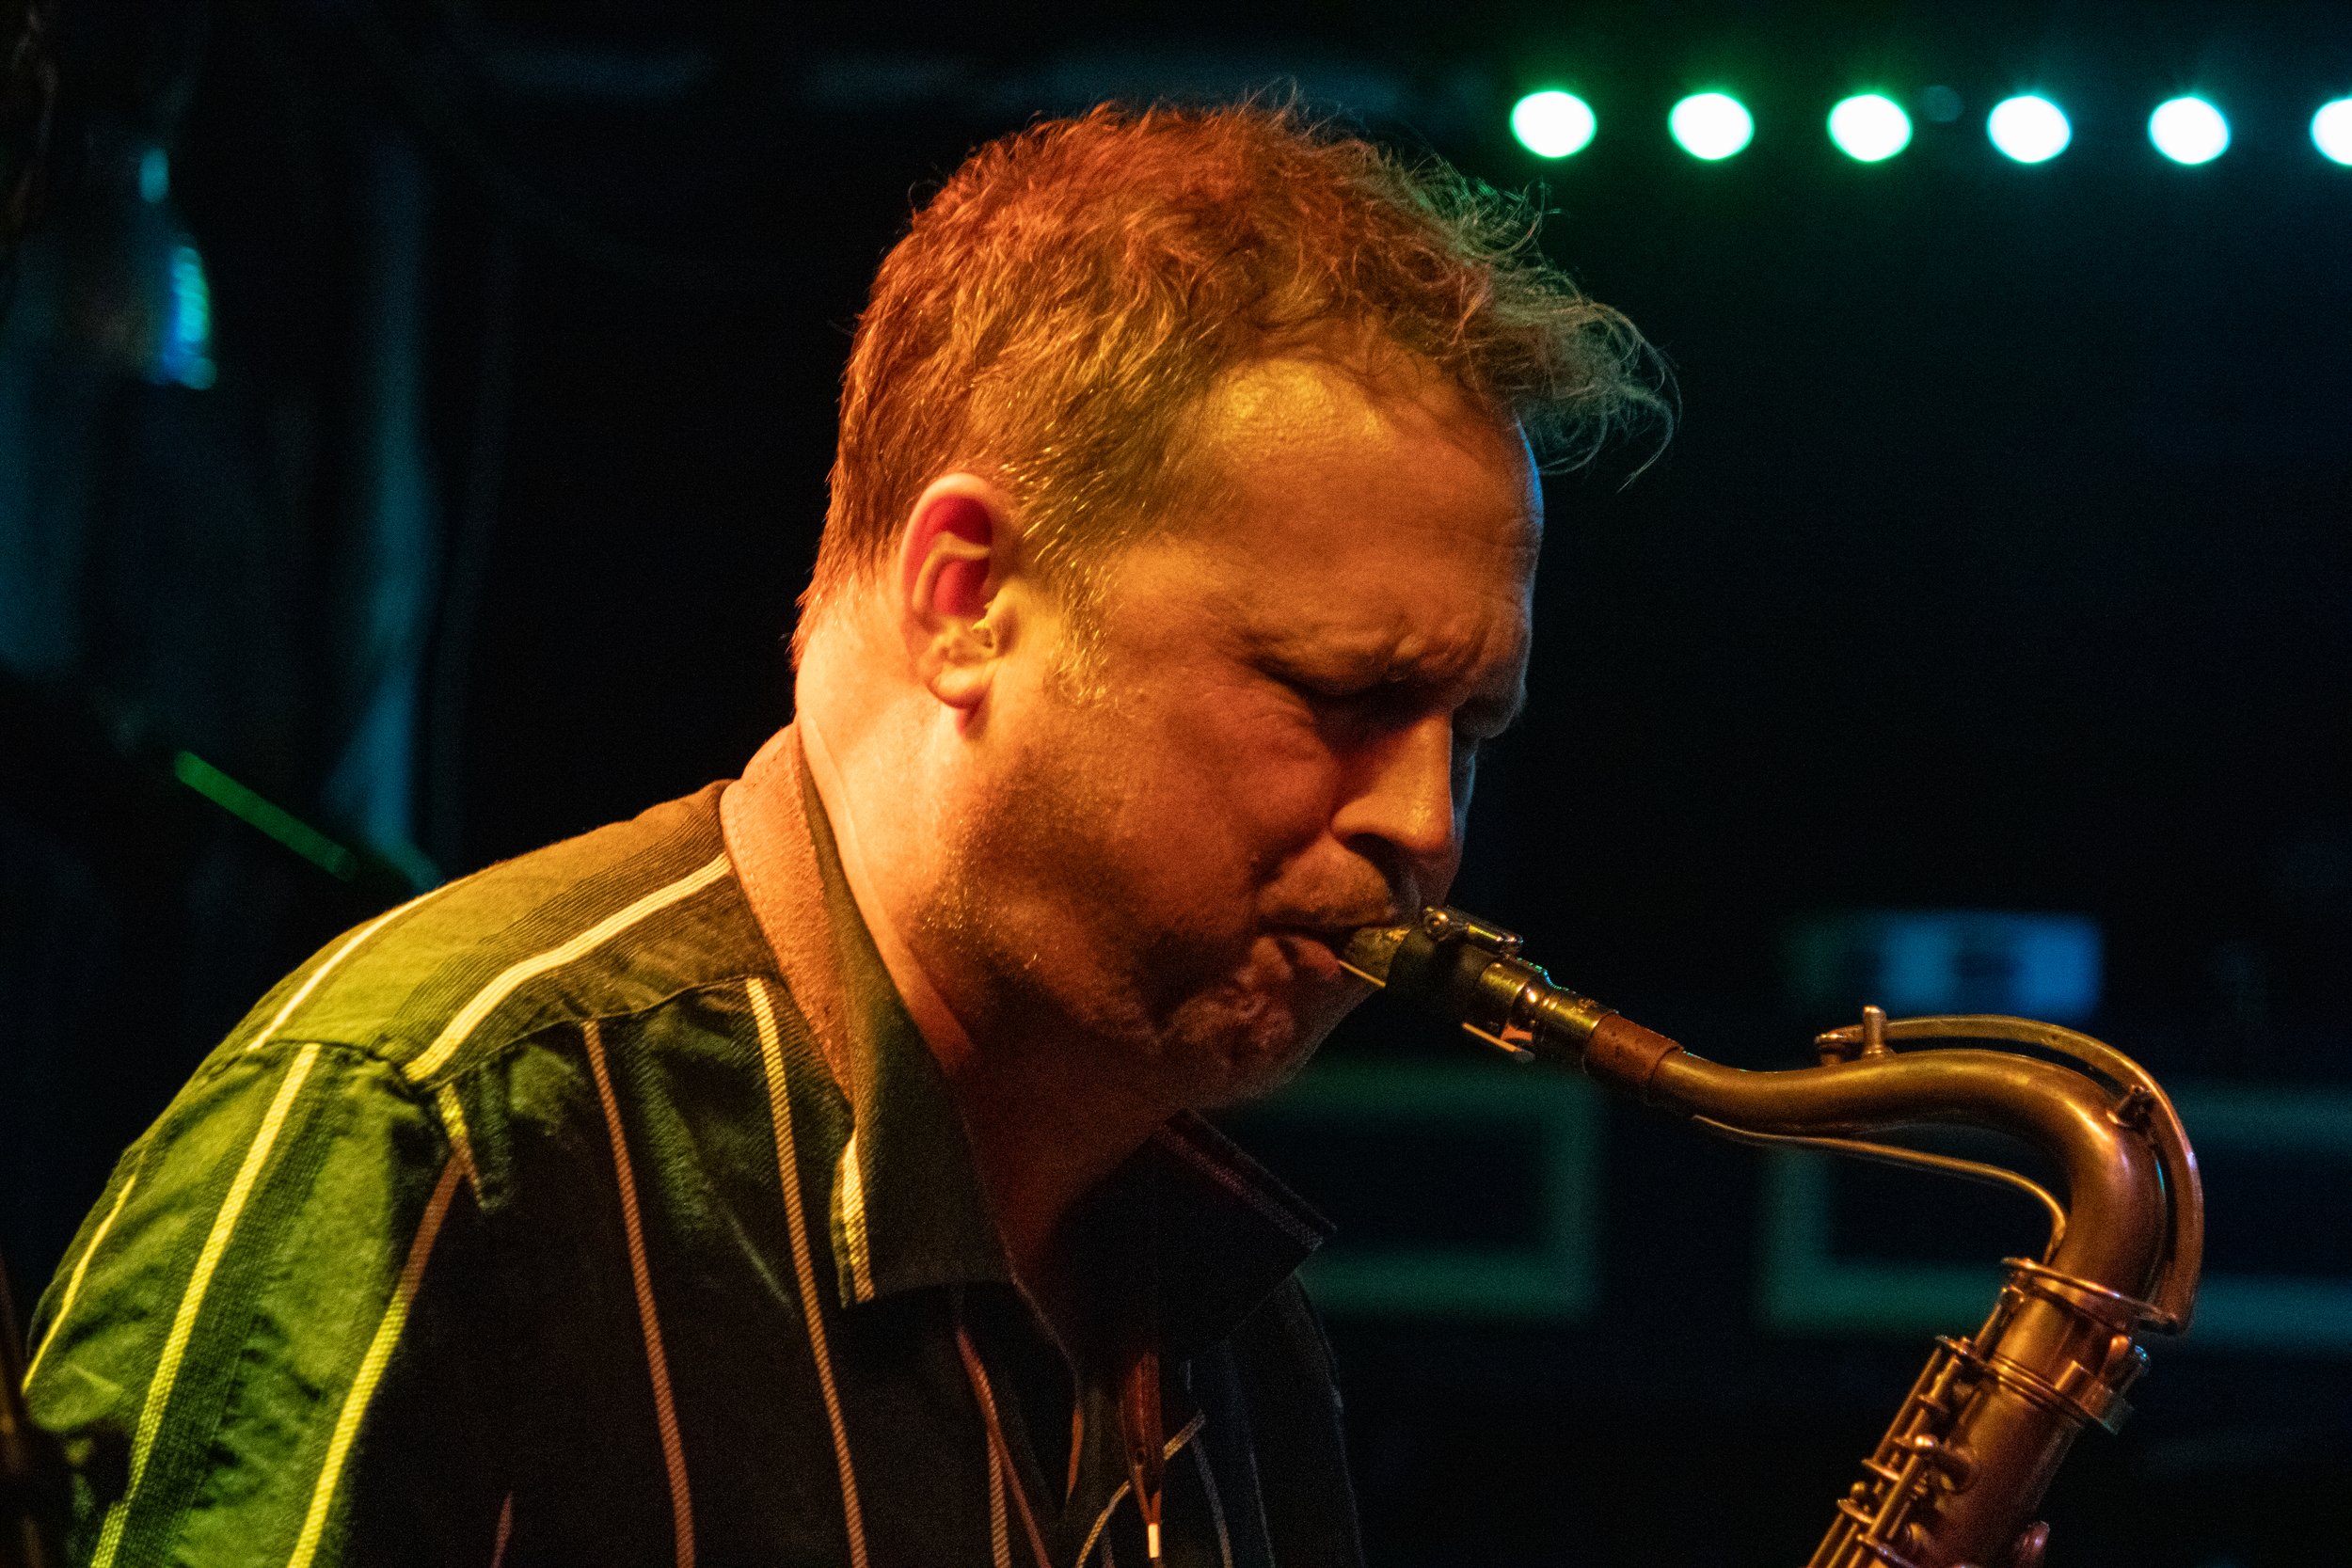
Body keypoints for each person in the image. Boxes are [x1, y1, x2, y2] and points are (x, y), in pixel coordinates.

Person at [22, 102, 1660, 1567]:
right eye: (1334, 695)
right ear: (967, 600)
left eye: (1474, 733)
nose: (1423, 825)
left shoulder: (1232, 1319)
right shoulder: (449, 1142)